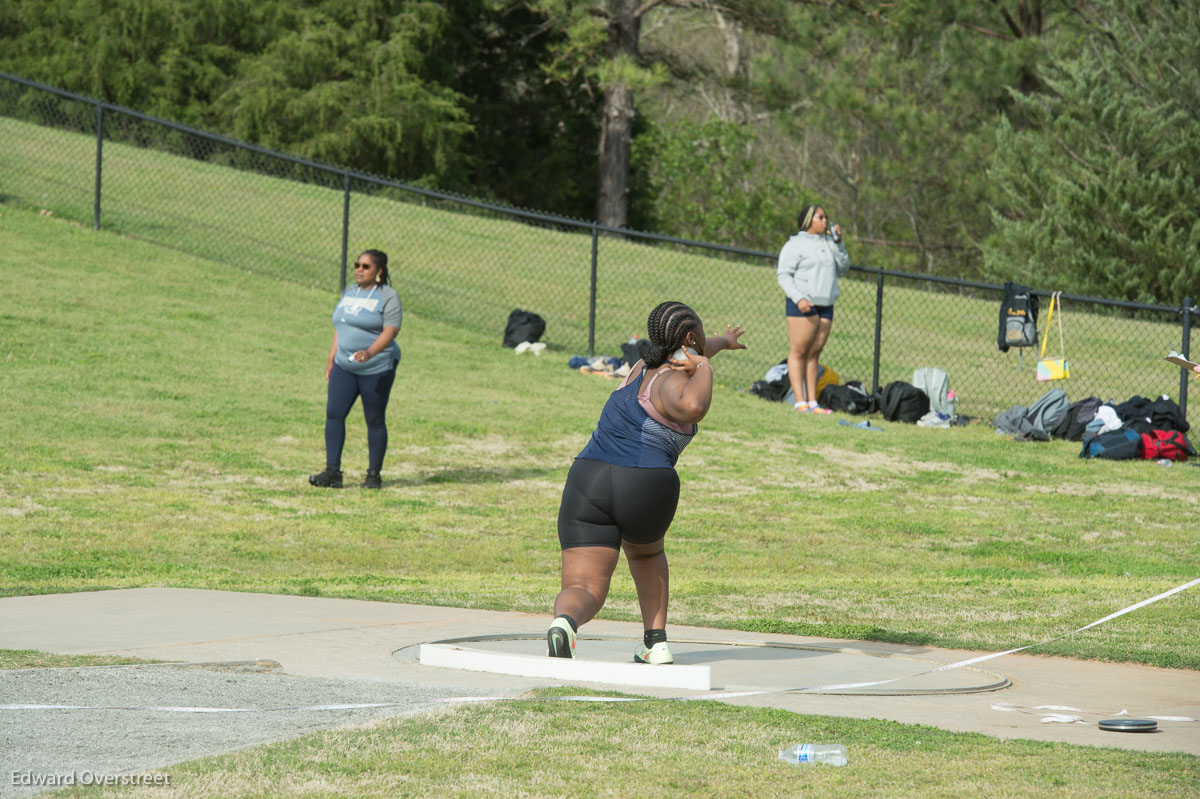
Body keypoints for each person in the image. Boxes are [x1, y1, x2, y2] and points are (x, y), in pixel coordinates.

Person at [547, 302, 746, 664]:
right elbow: (693, 406)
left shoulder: (641, 365)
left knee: (583, 586)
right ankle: (655, 642)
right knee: (647, 552)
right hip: (643, 481)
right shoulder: (674, 379)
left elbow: (696, 347)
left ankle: (565, 622)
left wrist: (722, 341)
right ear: (688, 339)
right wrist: (704, 365)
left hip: (587, 479)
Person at [309, 250, 401, 490]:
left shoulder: (388, 296)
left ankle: (373, 476)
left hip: (376, 368)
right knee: (334, 413)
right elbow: (341, 326)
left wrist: (370, 352)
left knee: (374, 419)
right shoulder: (350, 292)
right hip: (344, 365)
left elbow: (390, 331)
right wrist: (331, 359)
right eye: (357, 265)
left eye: (366, 266)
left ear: (379, 271)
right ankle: (332, 472)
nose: (359, 269)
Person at [776, 205, 850, 413]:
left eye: (826, 217)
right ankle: (799, 401)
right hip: (803, 304)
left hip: (825, 304)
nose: (825, 221)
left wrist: (840, 243)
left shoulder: (829, 244)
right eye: (821, 217)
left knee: (814, 354)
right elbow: (783, 274)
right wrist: (799, 298)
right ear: (809, 220)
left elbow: (843, 268)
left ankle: (813, 402)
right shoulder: (795, 244)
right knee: (799, 351)